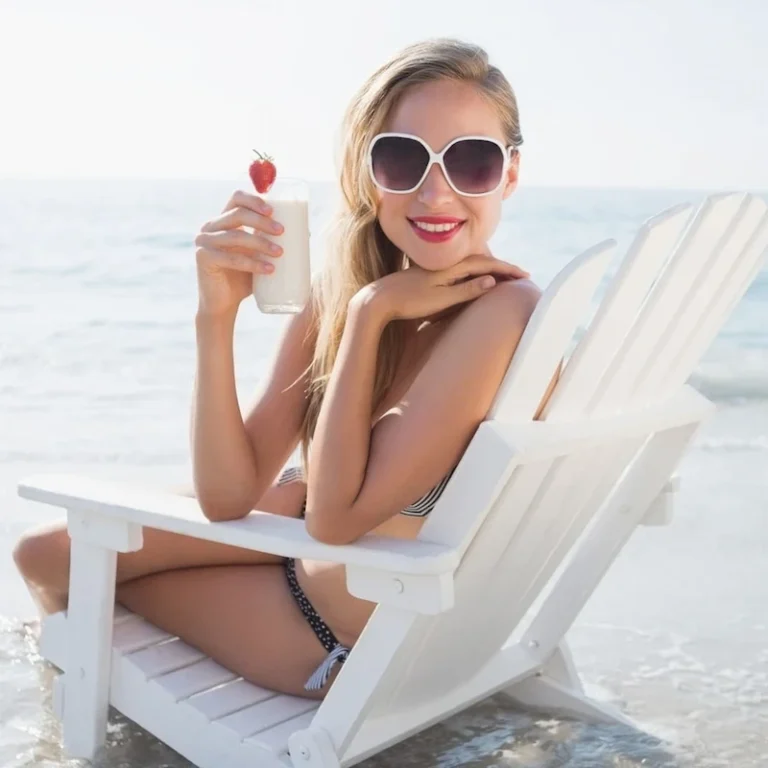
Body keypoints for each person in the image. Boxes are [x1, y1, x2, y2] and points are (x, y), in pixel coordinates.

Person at [13, 38, 556, 699]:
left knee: (74, 575)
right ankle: (83, 699)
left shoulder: (501, 311)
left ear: (512, 173)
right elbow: (228, 495)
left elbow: (335, 520)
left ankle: (82, 717)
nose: (435, 193)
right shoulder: (345, 291)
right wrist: (215, 317)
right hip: (298, 545)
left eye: (472, 162)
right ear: (367, 173)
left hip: (330, 630)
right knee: (42, 552)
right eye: (402, 159)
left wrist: (369, 316)